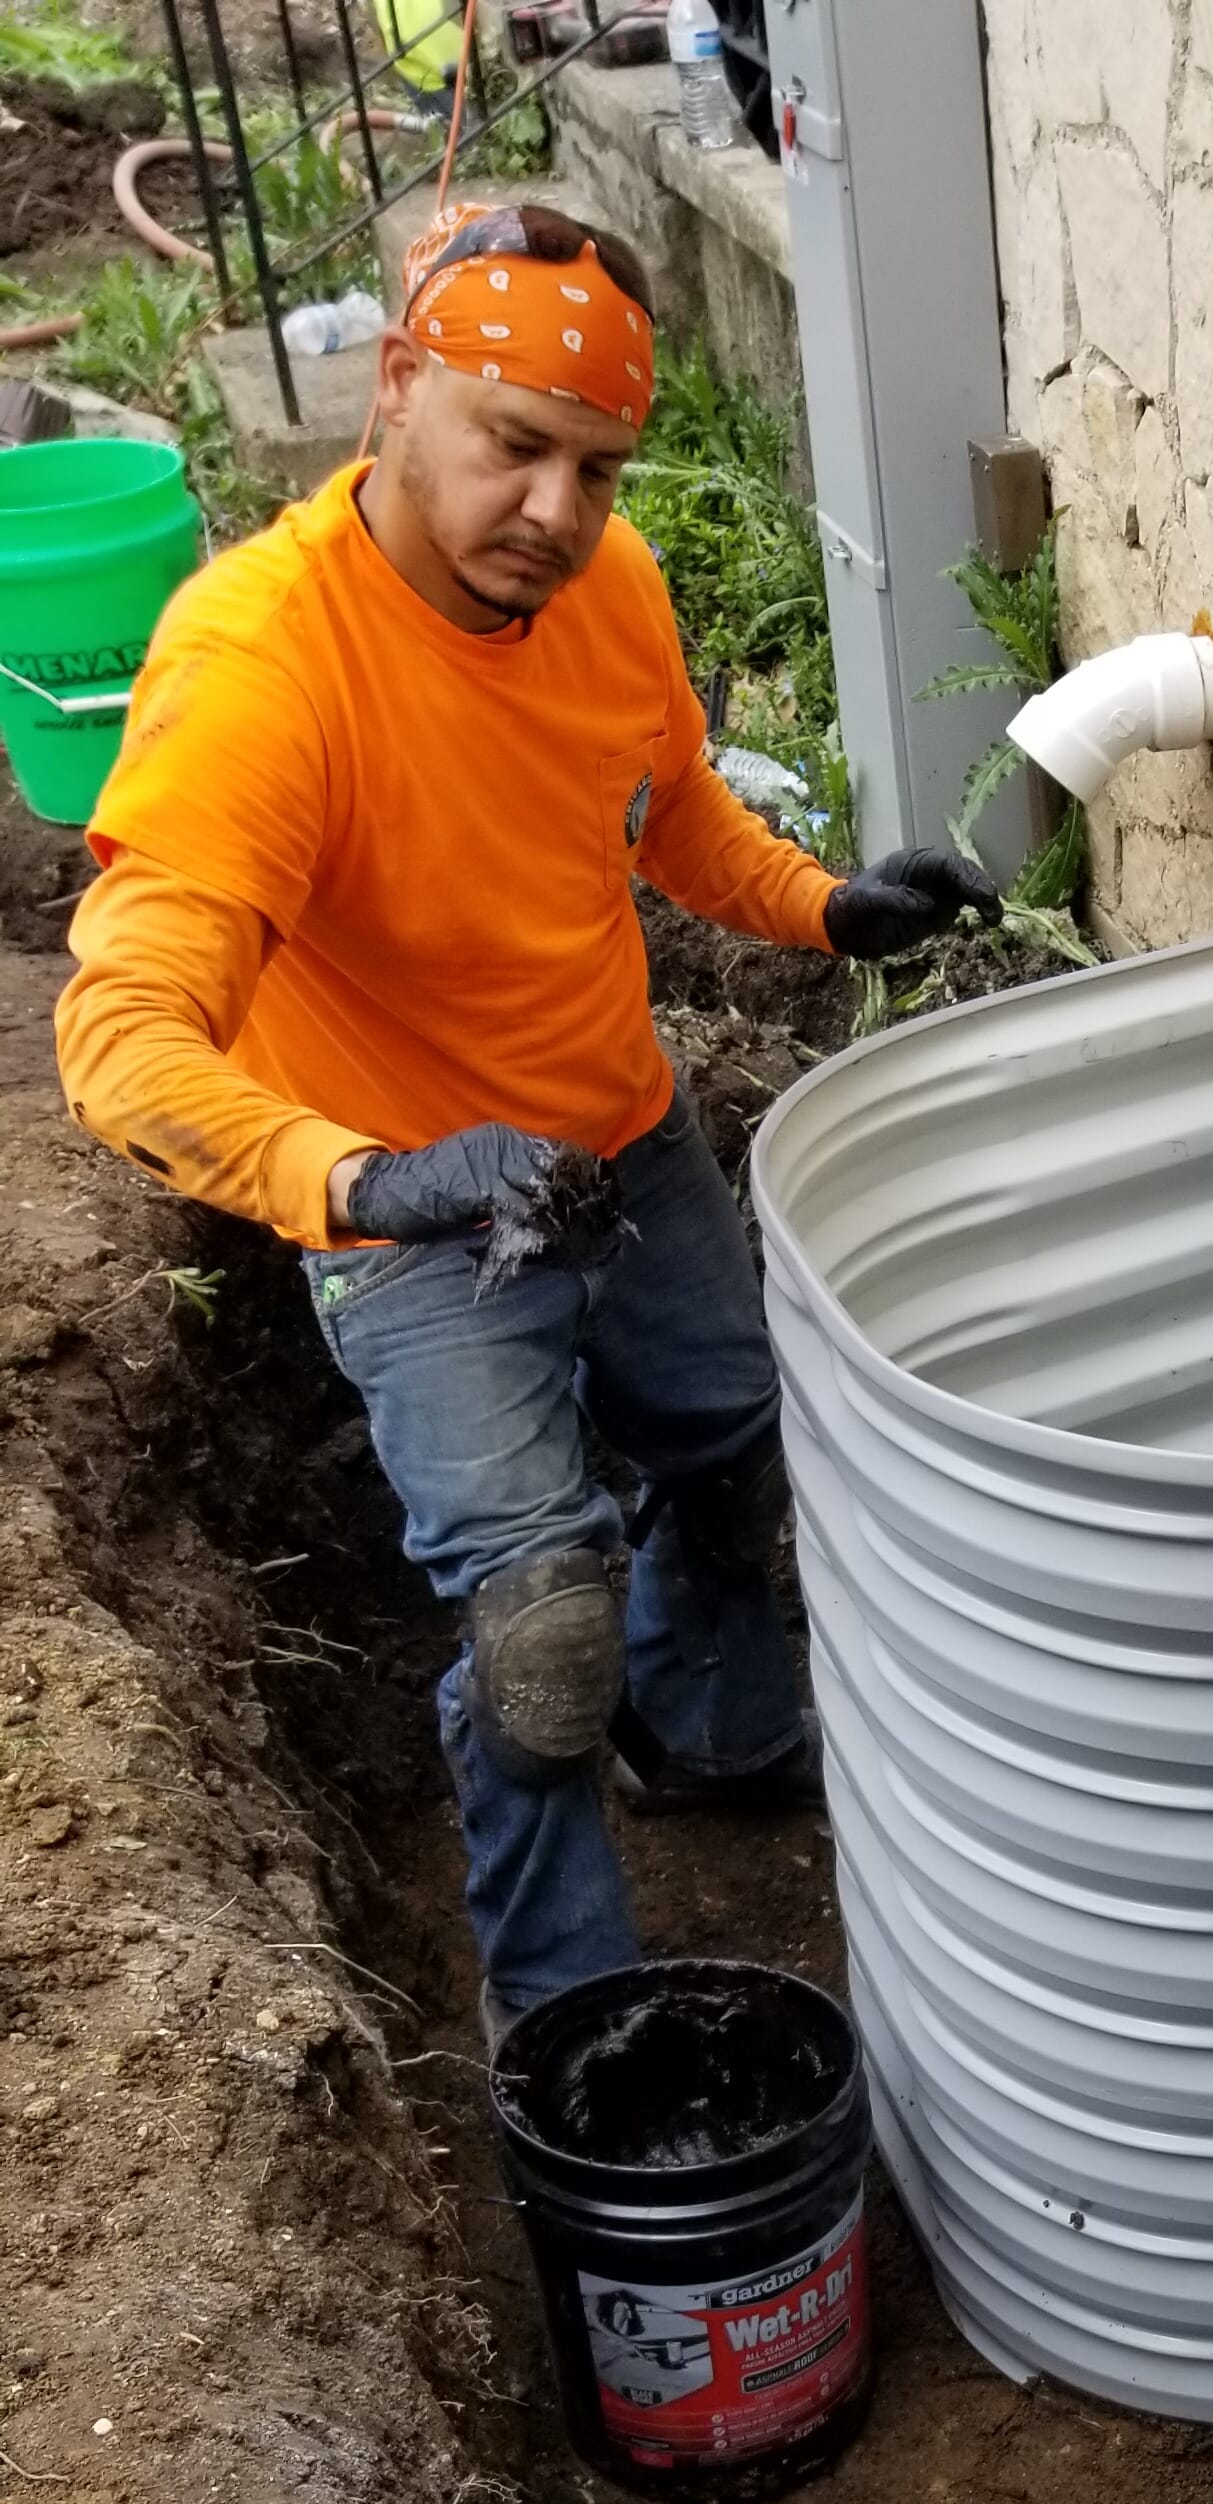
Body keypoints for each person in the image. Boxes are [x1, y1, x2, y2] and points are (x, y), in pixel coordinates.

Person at [55, 199, 992, 2036]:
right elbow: (121, 1037)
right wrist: (378, 1179)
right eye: (515, 446)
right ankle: (566, 2014)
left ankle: (714, 1742)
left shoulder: (602, 592)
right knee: (542, 1630)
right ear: (398, 392)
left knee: (735, 1463)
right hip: (410, 1219)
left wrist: (819, 907)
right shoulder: (265, 667)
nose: (557, 512)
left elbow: (668, 820)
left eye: (600, 471)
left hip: (619, 1146)